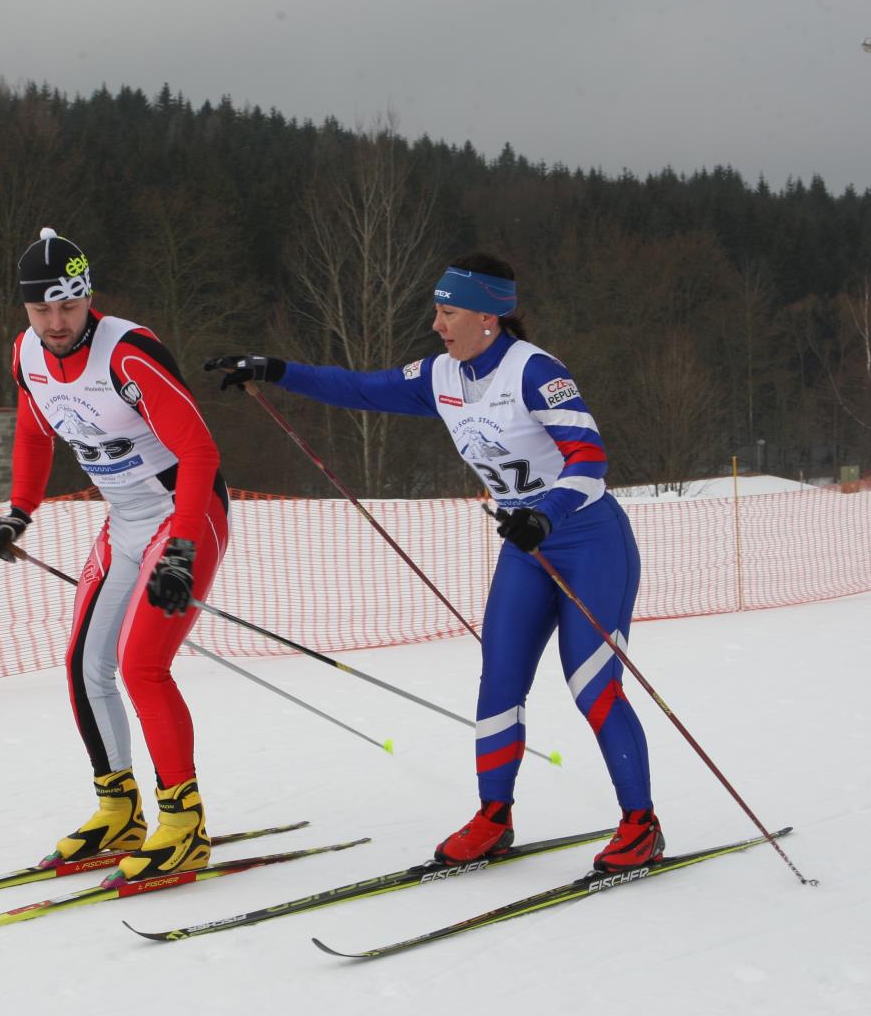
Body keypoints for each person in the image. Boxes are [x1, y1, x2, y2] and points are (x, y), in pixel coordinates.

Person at [206, 253, 662, 873]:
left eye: (448, 311)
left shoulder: (536, 373)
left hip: (589, 542)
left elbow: (589, 459)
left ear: (489, 317)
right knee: (500, 681)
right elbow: (362, 387)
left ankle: (640, 824)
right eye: (438, 310)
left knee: (591, 685)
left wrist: (545, 513)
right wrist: (276, 369)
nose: (437, 323)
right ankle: (493, 817)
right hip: (526, 549)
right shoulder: (442, 375)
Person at [0, 228, 230, 884]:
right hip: (125, 518)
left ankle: (186, 825)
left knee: (142, 663)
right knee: (85, 662)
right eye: (44, 310)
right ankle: (119, 810)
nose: (58, 323)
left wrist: (181, 548)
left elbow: (200, 452)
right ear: (26, 309)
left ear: (88, 296)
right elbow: (34, 431)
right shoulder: (26, 355)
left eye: (70, 305)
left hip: (185, 512)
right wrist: (18, 513)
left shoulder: (128, 354)